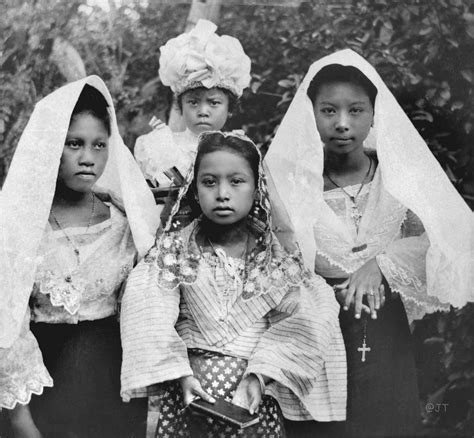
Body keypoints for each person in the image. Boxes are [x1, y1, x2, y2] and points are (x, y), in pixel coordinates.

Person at [265, 49, 474, 437]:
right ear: (310, 114)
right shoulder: (289, 184)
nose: (342, 124)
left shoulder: (398, 177)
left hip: (384, 330)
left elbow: (455, 237)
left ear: (374, 113)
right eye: (328, 111)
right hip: (315, 333)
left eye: (356, 110)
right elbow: (271, 260)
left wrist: (382, 263)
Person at [120, 131, 347, 437]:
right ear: (195, 189)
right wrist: (181, 376)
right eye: (209, 182)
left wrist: (261, 377)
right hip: (190, 395)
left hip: (252, 399)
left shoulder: (276, 258)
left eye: (236, 181)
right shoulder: (174, 252)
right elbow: (149, 314)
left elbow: (307, 319)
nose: (222, 193)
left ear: (256, 188)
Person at [0, 76, 159, 437]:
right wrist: (22, 420)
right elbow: (8, 323)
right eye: (74, 144)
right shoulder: (21, 226)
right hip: (42, 384)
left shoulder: (124, 223)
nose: (88, 158)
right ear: (50, 146)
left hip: (110, 385)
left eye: (99, 145)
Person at [134, 19, 251, 189]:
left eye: (214, 103)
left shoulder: (241, 150)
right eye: (193, 102)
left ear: (229, 109)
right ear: (181, 107)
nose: (203, 111)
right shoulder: (157, 146)